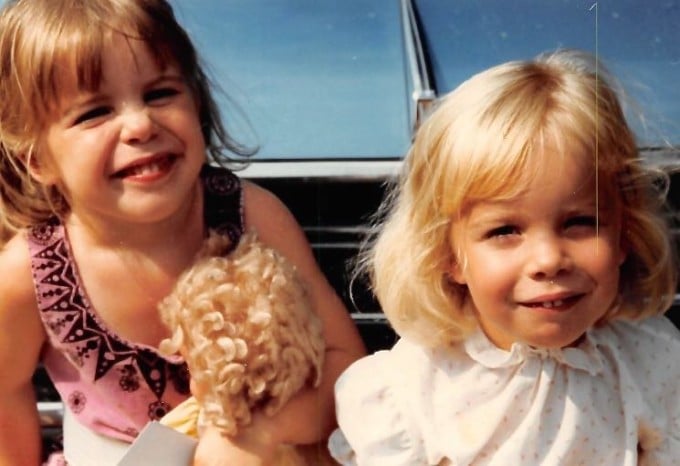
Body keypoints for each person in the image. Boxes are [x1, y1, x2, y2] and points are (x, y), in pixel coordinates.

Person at [0, 0, 365, 465]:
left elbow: (346, 364)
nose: (139, 124)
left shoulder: (251, 217)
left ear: (196, 99)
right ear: (37, 160)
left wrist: (258, 430)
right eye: (93, 113)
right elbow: (6, 398)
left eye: (160, 94)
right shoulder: (28, 274)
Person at [328, 49, 680, 465]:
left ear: (625, 233)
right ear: (448, 254)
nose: (548, 259)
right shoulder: (413, 388)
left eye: (580, 222)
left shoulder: (651, 359)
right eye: (505, 231)